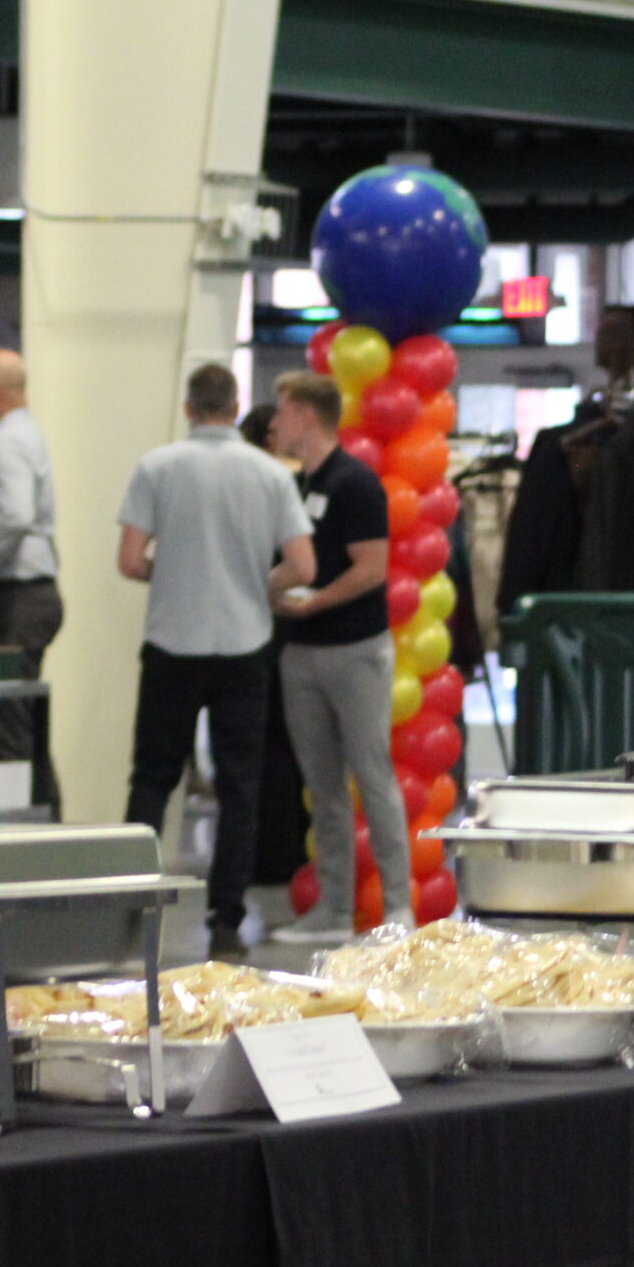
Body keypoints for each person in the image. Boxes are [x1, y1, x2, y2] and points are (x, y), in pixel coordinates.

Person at [117, 363, 315, 959]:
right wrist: (259, 582)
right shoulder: (269, 473)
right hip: (243, 645)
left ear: (188, 408)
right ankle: (225, 922)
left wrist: (174, 571)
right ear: (235, 409)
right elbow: (303, 566)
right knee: (240, 787)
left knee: (152, 779)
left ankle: (130, 913)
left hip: (171, 643)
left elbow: (130, 560)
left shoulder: (157, 466)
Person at [265, 371, 412, 941]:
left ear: (307, 415)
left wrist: (316, 602)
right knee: (321, 786)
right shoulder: (295, 484)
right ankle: (333, 908)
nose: (275, 423)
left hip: (354, 650)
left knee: (372, 775)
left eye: (282, 411)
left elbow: (371, 569)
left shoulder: (355, 482)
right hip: (301, 651)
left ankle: (398, 906)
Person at [0, 349, 63, 797]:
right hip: (38, 592)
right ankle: (47, 814)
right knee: (24, 718)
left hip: (19, 594)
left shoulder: (3, 441)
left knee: (9, 720)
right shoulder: (28, 432)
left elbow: (15, 514)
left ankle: (21, 821)